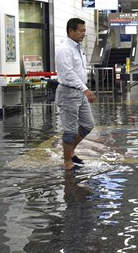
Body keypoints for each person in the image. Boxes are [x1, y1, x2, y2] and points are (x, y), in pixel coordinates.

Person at [55, 18, 96, 170]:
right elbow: (68, 73)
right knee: (70, 129)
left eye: (84, 31)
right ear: (70, 31)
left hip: (79, 91)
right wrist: (85, 89)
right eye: (81, 30)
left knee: (87, 125)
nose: (83, 34)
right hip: (68, 92)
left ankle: (70, 151)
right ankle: (67, 162)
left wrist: (83, 89)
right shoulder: (65, 49)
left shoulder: (78, 48)